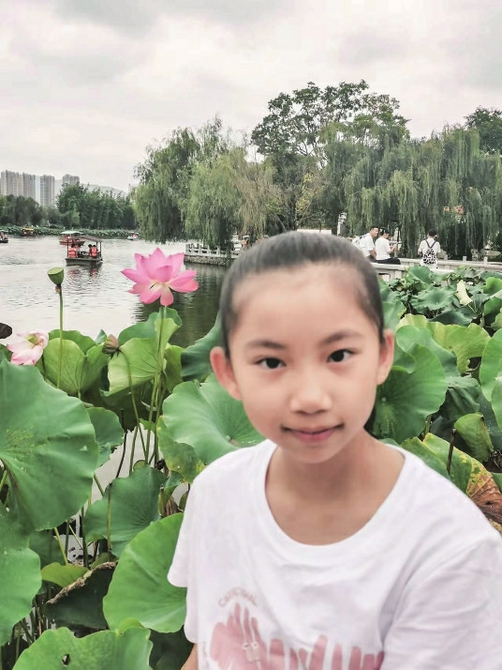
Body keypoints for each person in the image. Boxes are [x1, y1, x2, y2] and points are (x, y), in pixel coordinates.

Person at [168, 232, 502, 670]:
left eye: (339, 355)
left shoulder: (450, 548)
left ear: (383, 356)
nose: (310, 397)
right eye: (272, 362)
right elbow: (207, 651)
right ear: (228, 372)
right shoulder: (215, 493)